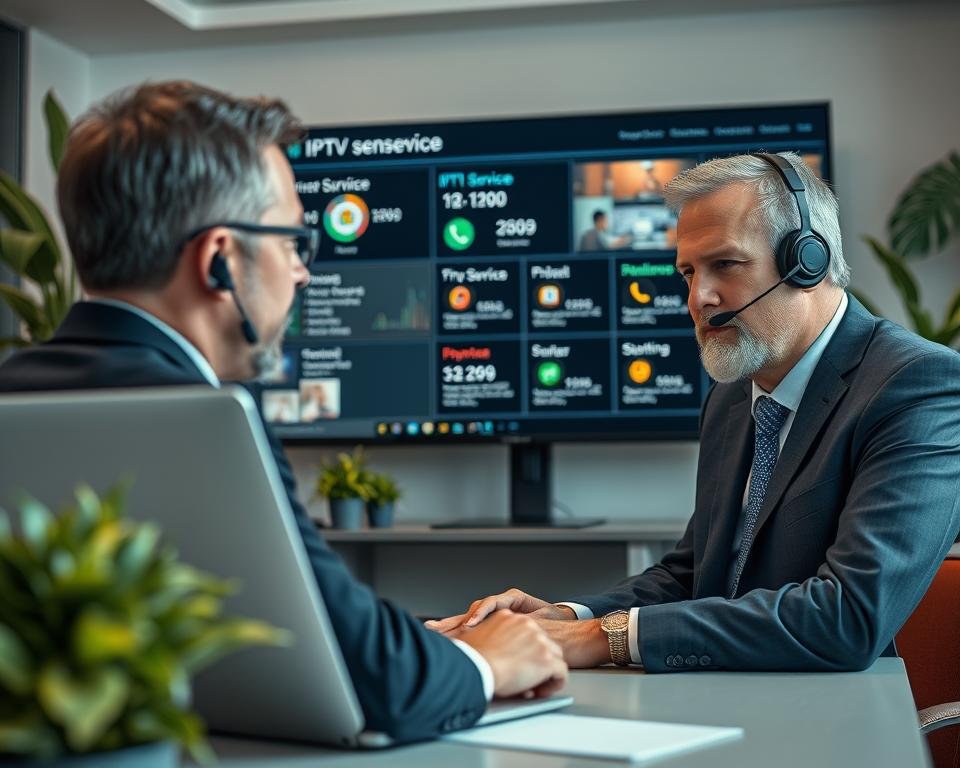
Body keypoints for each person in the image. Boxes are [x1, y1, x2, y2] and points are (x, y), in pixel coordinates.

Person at [0, 81, 567, 742]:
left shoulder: (15, 390)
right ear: (218, 260)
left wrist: (404, 642)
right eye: (292, 242)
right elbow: (376, 684)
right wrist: (486, 662)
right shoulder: (208, 424)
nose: (302, 273)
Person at [430, 152, 960, 674]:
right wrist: (566, 618)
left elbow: (847, 618)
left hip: (836, 709)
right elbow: (693, 575)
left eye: (724, 264)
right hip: (725, 690)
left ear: (806, 261)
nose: (697, 298)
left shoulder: (919, 386)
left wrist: (600, 638)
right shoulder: (731, 397)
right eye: (687, 272)